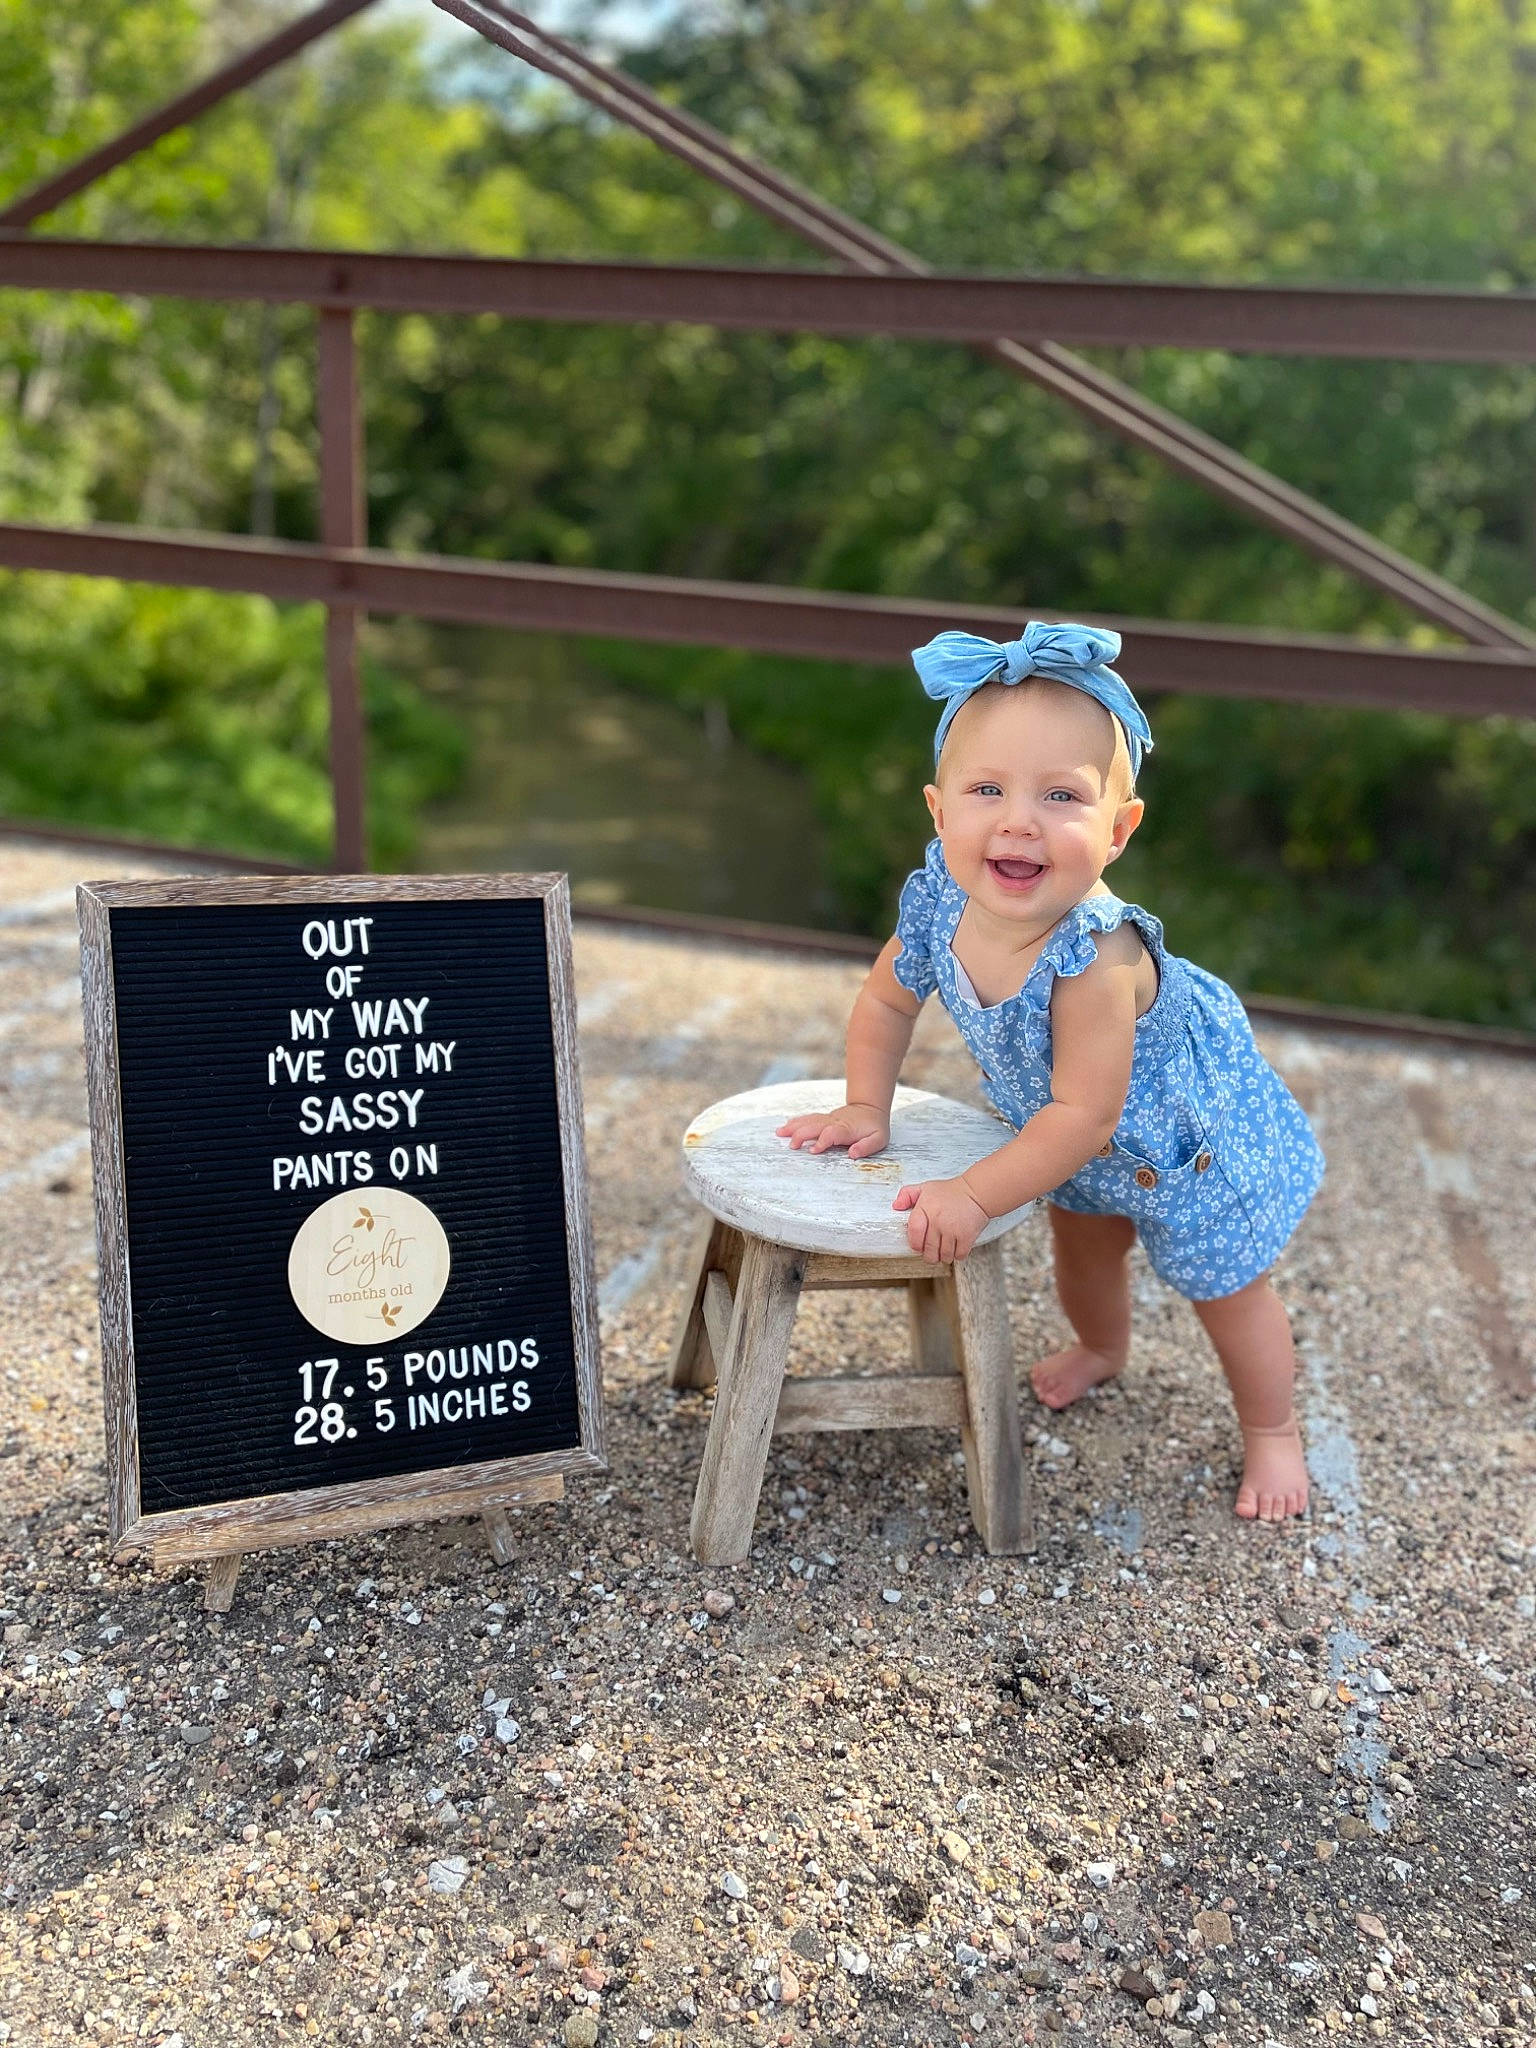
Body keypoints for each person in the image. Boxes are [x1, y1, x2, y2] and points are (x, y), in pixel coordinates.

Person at [776, 622, 1323, 1523]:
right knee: (1084, 1253)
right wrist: (866, 1103)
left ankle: (1273, 1428)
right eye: (986, 788)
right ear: (939, 809)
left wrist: (976, 1193)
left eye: (1061, 796)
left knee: (1229, 1292)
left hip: (1184, 1146)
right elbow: (885, 1004)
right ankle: (1102, 1348)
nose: (1018, 820)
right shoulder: (938, 904)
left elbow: (1084, 1114)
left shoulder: (1095, 954)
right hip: (1069, 1140)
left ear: (1117, 830)